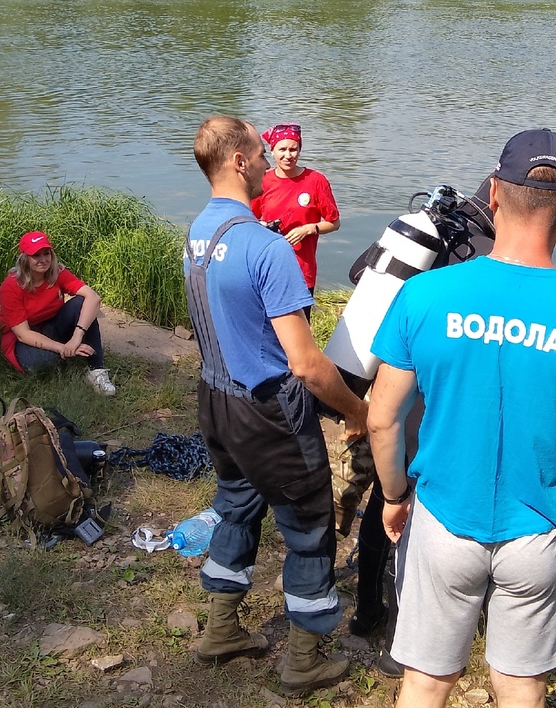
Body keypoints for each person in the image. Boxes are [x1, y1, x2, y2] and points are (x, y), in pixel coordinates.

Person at [367, 128, 556, 708]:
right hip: (539, 535)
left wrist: (394, 495)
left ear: (493, 194)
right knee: (520, 686)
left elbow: (383, 419)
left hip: (442, 517)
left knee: (426, 680)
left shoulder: (424, 296)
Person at [184, 116, 368, 697]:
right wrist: (355, 413)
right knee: (311, 527)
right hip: (267, 409)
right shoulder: (265, 247)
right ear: (238, 161)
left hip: (215, 397)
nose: (268, 160)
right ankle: (303, 661)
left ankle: (221, 631)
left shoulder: (198, 231)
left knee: (237, 505)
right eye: (260, 152)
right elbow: (307, 364)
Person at [0, 231, 116, 395]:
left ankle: (96, 370)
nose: (43, 259)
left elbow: (93, 298)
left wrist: (76, 338)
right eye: (36, 255)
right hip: (21, 336)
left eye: (47, 253)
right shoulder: (10, 287)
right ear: (24, 259)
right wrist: (62, 347)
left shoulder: (56, 273)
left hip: (51, 324)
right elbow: (23, 334)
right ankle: (66, 354)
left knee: (83, 303)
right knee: (44, 362)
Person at [250, 124, 340, 310]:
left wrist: (309, 228)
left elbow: (334, 223)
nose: (288, 155)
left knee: (299, 328)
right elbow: (248, 220)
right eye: (282, 149)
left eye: (293, 149)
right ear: (272, 152)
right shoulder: (263, 180)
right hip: (268, 266)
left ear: (299, 150)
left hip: (302, 270)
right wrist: (263, 225)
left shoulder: (316, 181)